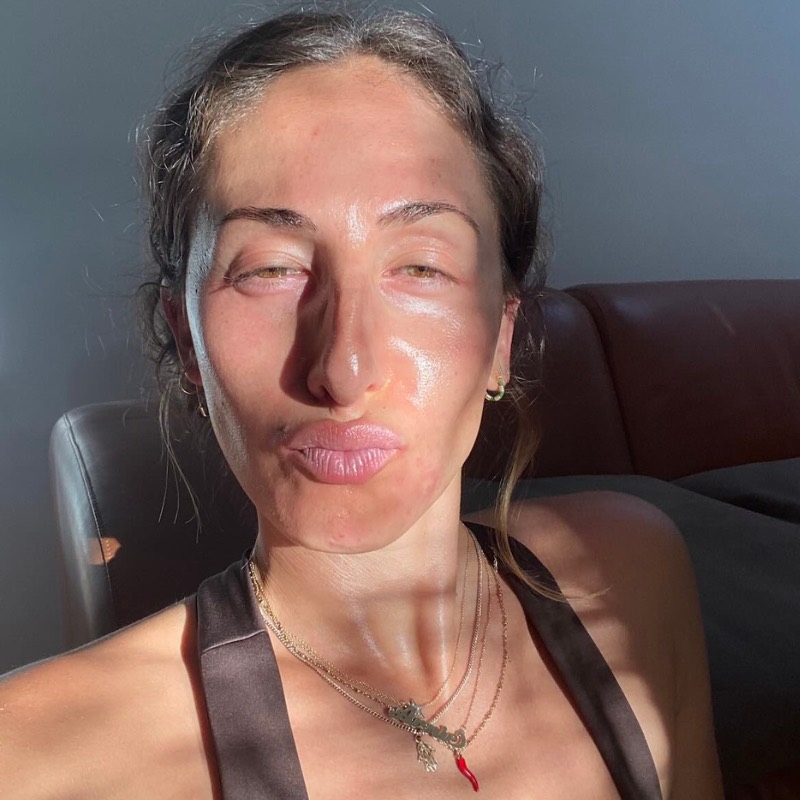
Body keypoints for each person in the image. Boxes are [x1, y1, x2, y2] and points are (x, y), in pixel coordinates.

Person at [0, 8, 723, 798]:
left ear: (500, 337)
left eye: (421, 268)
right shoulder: (36, 760)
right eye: (270, 269)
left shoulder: (633, 575)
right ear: (188, 341)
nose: (342, 372)